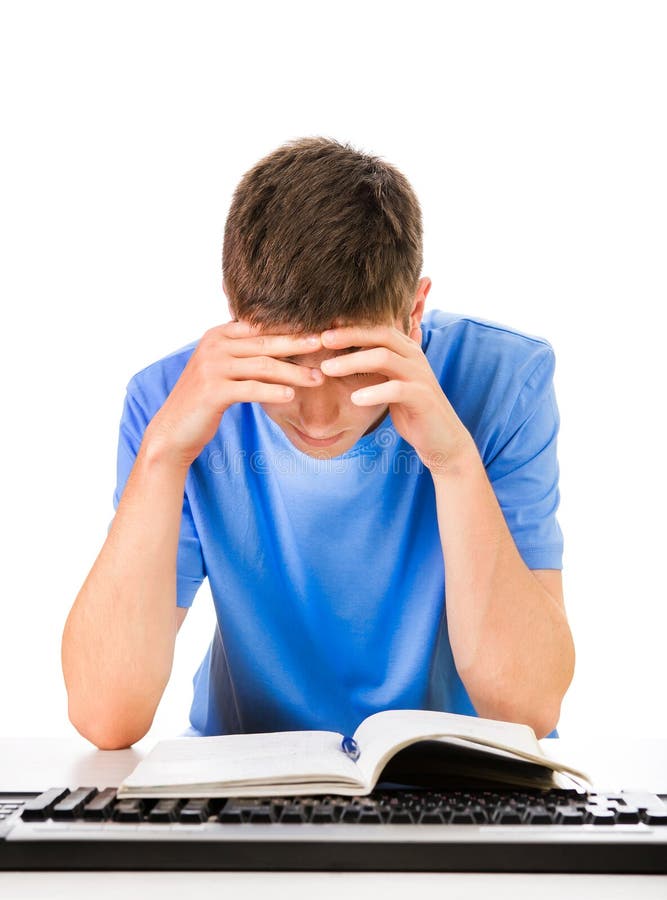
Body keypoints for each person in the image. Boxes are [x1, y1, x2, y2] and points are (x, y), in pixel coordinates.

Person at [61, 136, 575, 750]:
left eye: (354, 364)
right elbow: (105, 717)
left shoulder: (504, 381)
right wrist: (165, 452)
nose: (319, 414)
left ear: (414, 313)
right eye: (286, 367)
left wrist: (455, 462)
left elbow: (529, 708)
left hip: (457, 775)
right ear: (237, 316)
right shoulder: (169, 401)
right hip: (248, 776)